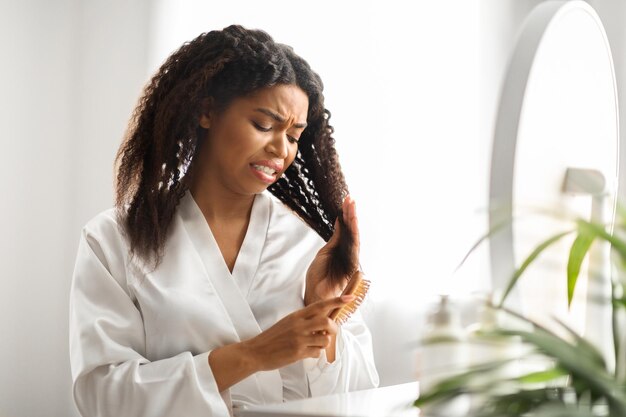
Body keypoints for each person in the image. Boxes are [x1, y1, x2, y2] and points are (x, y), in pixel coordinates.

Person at [69, 25, 379, 417]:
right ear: (206, 111)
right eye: (264, 125)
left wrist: (323, 312)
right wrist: (252, 355)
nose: (281, 149)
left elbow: (363, 395)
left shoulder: (309, 247)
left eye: (294, 135)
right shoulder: (114, 240)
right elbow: (101, 396)